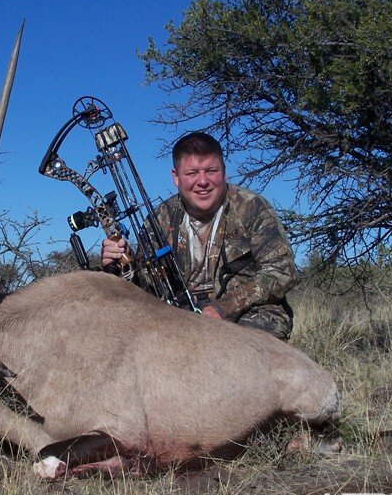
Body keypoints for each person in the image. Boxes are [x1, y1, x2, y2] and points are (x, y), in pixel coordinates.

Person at [101, 132, 299, 341]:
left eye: (211, 171)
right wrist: (120, 261)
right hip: (182, 315)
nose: (202, 181)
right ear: (176, 177)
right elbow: (144, 285)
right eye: (192, 173)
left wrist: (226, 307)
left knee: (242, 346)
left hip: (247, 313)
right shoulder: (160, 218)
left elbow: (281, 271)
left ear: (223, 172)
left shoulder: (252, 208)